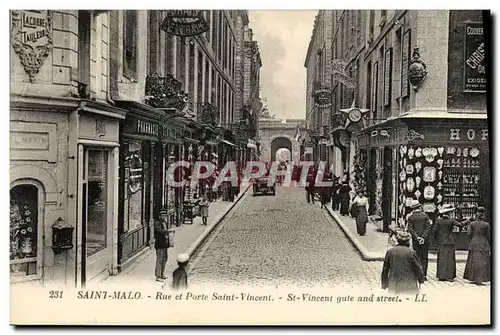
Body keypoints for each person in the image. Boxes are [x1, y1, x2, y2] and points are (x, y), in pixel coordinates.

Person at [433, 204, 469, 281]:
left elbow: (434, 231)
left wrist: (437, 239)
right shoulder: (451, 221)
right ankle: (449, 275)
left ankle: (441, 275)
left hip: (441, 241)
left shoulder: (438, 221)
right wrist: (467, 221)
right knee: (450, 259)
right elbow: (460, 225)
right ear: (449, 213)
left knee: (441, 258)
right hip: (450, 241)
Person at [463, 207, 491, 285]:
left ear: (476, 215)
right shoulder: (486, 224)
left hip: (474, 243)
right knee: (483, 261)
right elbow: (488, 235)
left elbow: (469, 234)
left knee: (473, 260)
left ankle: (473, 277)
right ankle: (482, 277)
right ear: (483, 214)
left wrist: (472, 240)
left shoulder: (472, 224)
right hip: (483, 244)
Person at [407, 200, 431, 280]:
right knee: (424, 256)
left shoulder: (411, 217)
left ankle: (417, 274)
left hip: (415, 240)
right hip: (425, 240)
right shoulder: (425, 216)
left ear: (413, 208)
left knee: (416, 256)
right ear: (419, 207)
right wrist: (423, 237)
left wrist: (417, 237)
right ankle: (424, 274)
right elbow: (428, 228)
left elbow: (410, 229)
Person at [154, 209, 170, 282]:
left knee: (165, 259)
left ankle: (162, 274)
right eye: (162, 215)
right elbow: (159, 230)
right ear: (159, 216)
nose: (164, 217)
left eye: (165, 215)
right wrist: (167, 231)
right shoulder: (157, 223)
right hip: (160, 244)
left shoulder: (165, 222)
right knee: (159, 260)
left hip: (165, 244)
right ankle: (158, 276)